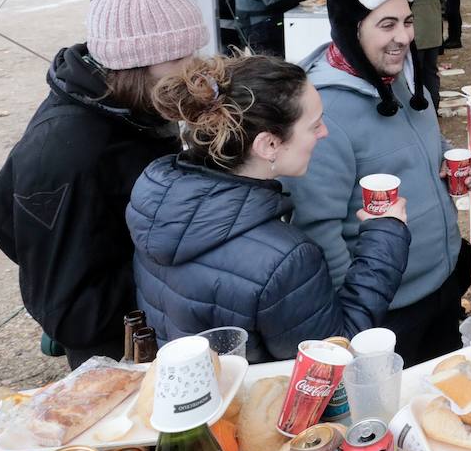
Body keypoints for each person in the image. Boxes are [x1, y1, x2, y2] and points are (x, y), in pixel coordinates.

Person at [0, 0, 206, 367]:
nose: (192, 71)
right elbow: (66, 306)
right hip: (112, 344)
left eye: (193, 53)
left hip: (145, 309)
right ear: (132, 65)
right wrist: (157, 281)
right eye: (177, 59)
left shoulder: (130, 108)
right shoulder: (68, 151)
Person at [127, 55, 411, 362]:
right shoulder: (285, 259)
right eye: (314, 125)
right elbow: (329, 358)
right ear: (268, 146)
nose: (324, 133)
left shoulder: (156, 206)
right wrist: (385, 238)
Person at [285, 0, 471, 364]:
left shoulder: (397, 79)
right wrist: (354, 320)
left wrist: (445, 158)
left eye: (407, 22)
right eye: (387, 25)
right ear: (352, 29)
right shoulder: (324, 110)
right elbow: (319, 229)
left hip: (441, 284)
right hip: (388, 314)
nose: (404, 37)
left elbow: (419, 140)